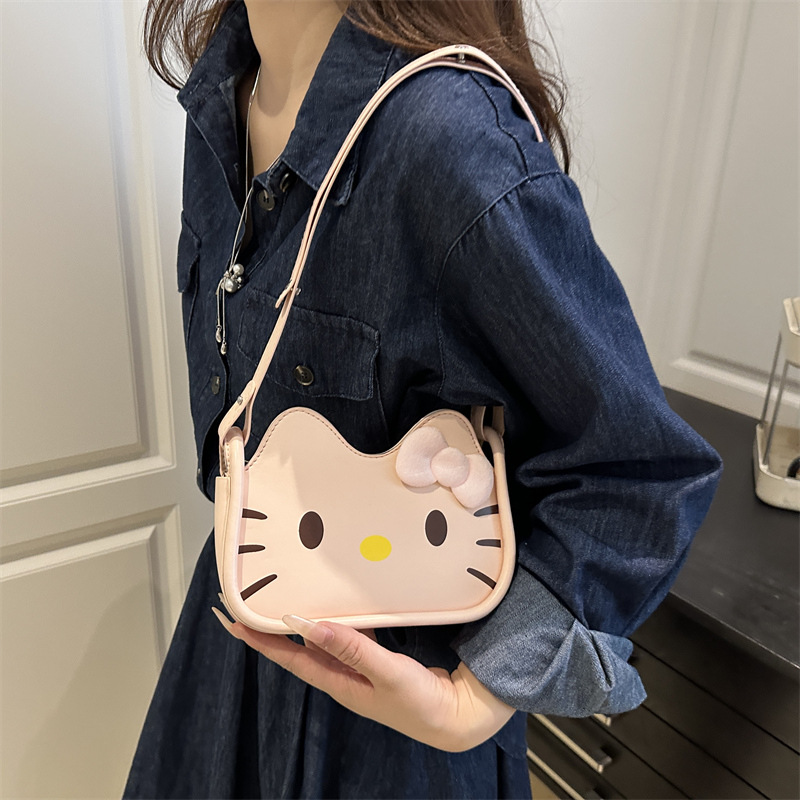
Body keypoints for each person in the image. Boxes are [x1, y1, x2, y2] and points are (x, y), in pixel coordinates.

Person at [124, 1, 722, 797]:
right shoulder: (220, 101)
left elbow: (638, 469)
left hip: (387, 722)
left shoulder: (445, 136)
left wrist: (477, 700)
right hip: (236, 646)